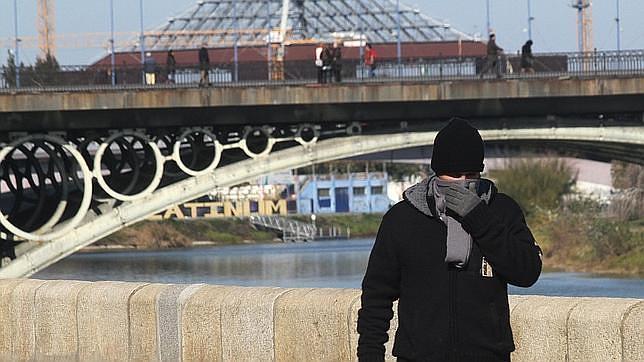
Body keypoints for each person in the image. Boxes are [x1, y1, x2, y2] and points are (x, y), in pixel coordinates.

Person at [357, 118, 542, 361]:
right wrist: (370, 356)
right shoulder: (402, 219)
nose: (462, 182)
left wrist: (480, 219)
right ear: (437, 172)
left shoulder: (501, 210)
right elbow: (376, 297)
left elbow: (527, 272)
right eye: (454, 174)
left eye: (471, 174)